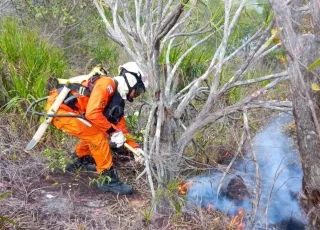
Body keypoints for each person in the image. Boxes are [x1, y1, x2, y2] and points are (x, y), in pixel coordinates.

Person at [45, 62, 147, 195]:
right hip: (60, 109)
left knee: (99, 132)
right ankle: (107, 180)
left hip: (71, 111)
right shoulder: (107, 84)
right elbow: (92, 113)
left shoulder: (117, 99)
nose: (136, 95)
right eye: (138, 90)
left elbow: (122, 130)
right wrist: (112, 131)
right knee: (97, 136)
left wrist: (136, 150)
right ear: (132, 80)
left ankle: (76, 162)